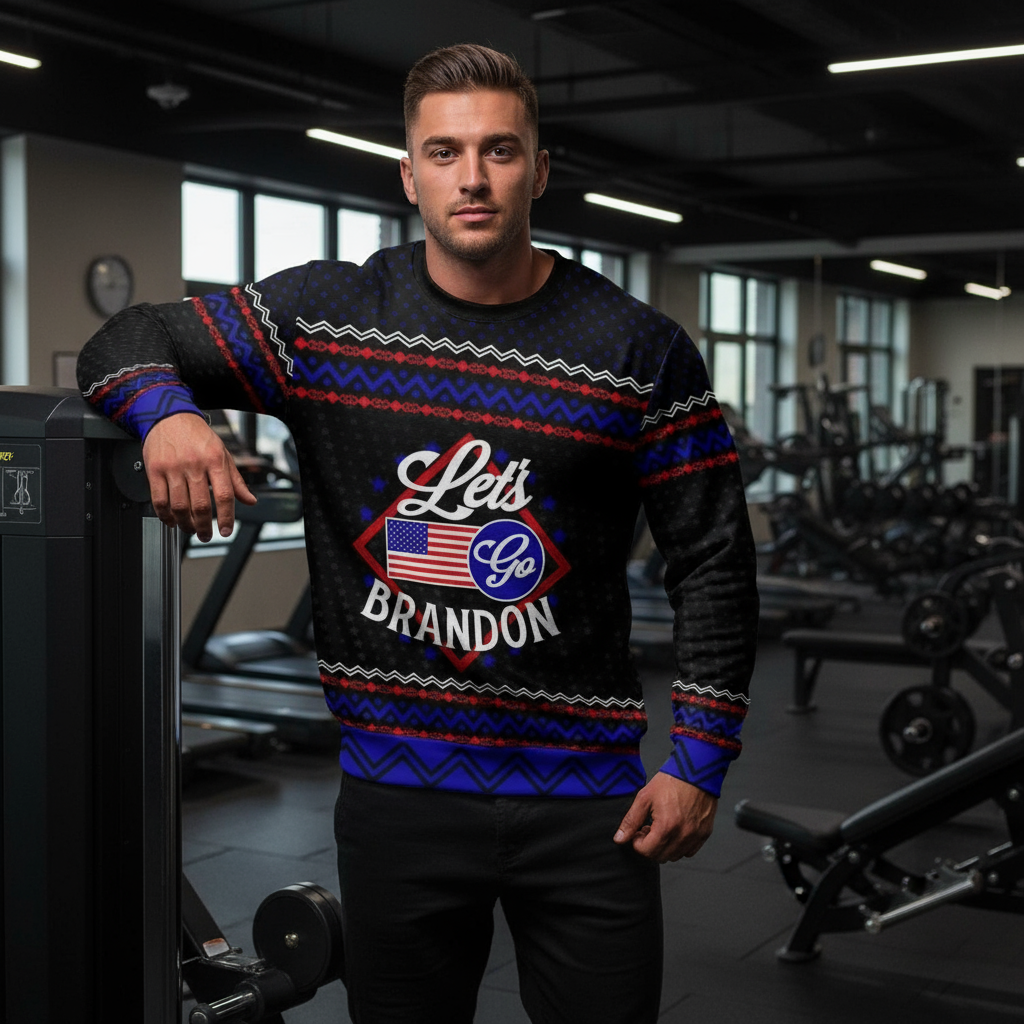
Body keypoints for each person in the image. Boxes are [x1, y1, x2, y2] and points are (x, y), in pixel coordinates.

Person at [78, 43, 758, 1024]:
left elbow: (713, 557)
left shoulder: (637, 349)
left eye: (498, 151)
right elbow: (124, 338)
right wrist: (170, 416)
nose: (472, 177)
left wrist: (698, 759)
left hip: (589, 808)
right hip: (397, 802)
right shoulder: (325, 317)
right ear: (409, 174)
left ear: (538, 169)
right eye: (444, 152)